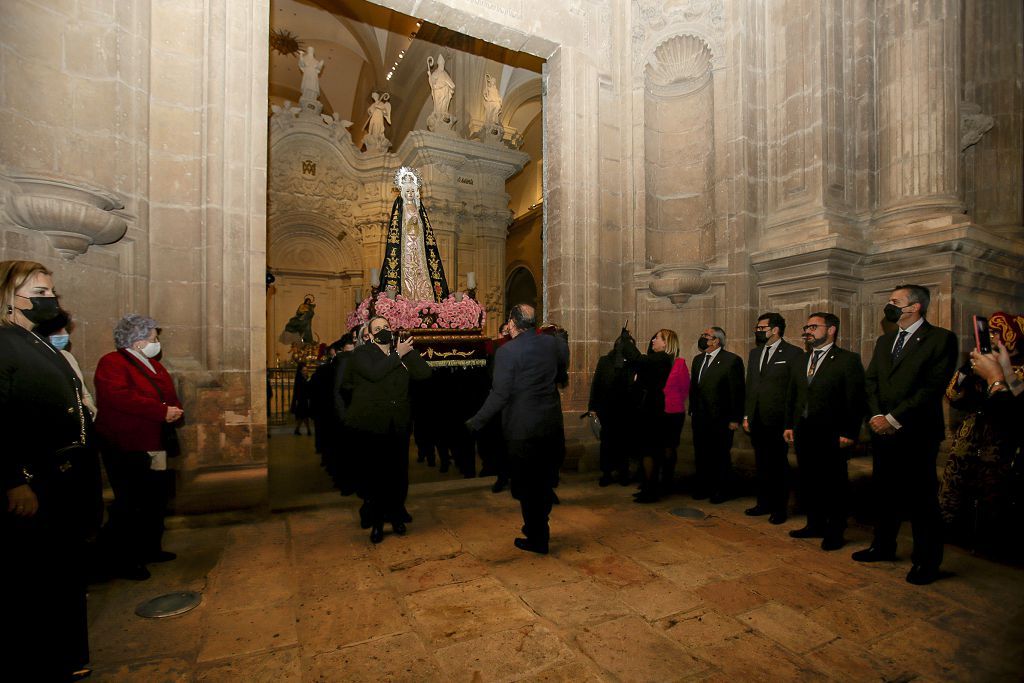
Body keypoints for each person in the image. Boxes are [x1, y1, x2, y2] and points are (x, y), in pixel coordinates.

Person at [1, 260, 101, 682]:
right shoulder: (5, 343)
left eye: (51, 292)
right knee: (36, 582)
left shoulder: (35, 340)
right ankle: (43, 661)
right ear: (11, 297)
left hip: (63, 478)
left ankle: (68, 656)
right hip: (33, 479)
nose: (50, 300)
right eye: (39, 293)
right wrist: (12, 480)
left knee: (63, 574)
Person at [853, 284, 958, 586]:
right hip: (882, 433)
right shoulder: (885, 341)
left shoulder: (940, 339)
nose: (889, 306)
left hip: (916, 433)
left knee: (921, 500)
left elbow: (931, 388)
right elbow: (870, 381)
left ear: (914, 307)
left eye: (895, 302)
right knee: (884, 494)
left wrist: (893, 418)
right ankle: (883, 546)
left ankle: (927, 562)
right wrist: (875, 416)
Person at [466, 304, 569, 554]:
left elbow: (499, 394)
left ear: (512, 322)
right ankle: (538, 527)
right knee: (543, 480)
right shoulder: (553, 343)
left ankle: (537, 537)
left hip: (523, 427)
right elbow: (562, 369)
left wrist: (475, 422)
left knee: (526, 484)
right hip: (550, 422)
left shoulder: (507, 352)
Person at [94, 314, 184, 581]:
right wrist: (160, 411)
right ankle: (125, 559)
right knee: (131, 503)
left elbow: (167, 393)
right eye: (153, 338)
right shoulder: (112, 363)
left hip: (155, 442)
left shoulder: (153, 365)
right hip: (127, 444)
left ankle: (150, 548)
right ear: (136, 342)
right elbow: (120, 397)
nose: (156, 343)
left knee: (155, 499)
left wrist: (174, 411)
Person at [938, 313, 1023, 552]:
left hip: (998, 442)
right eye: (990, 333)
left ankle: (990, 541)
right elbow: (952, 396)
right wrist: (966, 370)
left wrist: (998, 375)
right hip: (969, 437)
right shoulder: (977, 366)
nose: (992, 338)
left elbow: (1013, 406)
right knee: (954, 488)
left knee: (992, 492)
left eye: (997, 333)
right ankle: (951, 531)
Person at [343, 315, 431, 543]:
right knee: (376, 475)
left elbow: (424, 374)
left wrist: (408, 352)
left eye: (386, 326)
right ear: (370, 336)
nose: (384, 330)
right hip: (374, 425)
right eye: (378, 328)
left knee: (398, 473)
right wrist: (397, 354)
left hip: (399, 424)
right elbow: (375, 373)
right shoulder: (361, 354)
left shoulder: (402, 353)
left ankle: (396, 514)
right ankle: (377, 522)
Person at [783, 313, 865, 551]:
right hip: (803, 431)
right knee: (809, 481)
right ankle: (814, 524)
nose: (808, 331)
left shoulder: (847, 360)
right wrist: (789, 424)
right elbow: (792, 395)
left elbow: (854, 399)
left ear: (831, 330)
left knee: (834, 484)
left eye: (813, 326)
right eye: (806, 326)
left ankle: (835, 532)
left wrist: (849, 432)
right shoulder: (800, 360)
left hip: (832, 434)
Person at [743, 312, 804, 524]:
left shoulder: (794, 353)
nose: (758, 332)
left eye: (762, 329)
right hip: (757, 419)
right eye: (757, 329)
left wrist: (790, 422)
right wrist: (747, 415)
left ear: (775, 330)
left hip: (779, 421)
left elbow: (795, 390)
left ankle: (780, 508)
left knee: (778, 465)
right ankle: (763, 503)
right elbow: (750, 386)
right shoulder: (754, 354)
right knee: (762, 464)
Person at [621, 327, 685, 502]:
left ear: (666, 343)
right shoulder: (660, 359)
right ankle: (649, 487)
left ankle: (650, 491)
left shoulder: (662, 358)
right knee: (649, 451)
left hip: (654, 411)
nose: (653, 341)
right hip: (651, 408)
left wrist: (625, 340)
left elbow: (636, 358)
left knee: (649, 450)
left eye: (657, 338)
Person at [688, 326, 745, 503]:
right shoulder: (698, 360)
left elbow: (737, 391)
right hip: (700, 417)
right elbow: (695, 388)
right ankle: (704, 487)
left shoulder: (731, 360)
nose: (702, 337)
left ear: (716, 340)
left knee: (720, 456)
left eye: (706, 335)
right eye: (702, 334)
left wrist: (735, 418)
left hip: (721, 419)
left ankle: (721, 489)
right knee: (702, 454)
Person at [586, 332, 634, 487]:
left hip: (626, 409)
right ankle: (606, 473)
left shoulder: (633, 363)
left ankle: (623, 472)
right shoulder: (605, 361)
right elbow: (597, 384)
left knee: (624, 443)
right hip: (607, 409)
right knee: (607, 443)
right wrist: (592, 407)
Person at [35, 308, 98, 418]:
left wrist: (90, 409)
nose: (65, 334)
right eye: (59, 330)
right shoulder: (35, 359)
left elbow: (83, 392)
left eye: (66, 329)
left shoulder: (67, 356)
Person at [291, 363, 314, 436]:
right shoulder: (299, 379)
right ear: (300, 371)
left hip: (305, 399)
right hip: (301, 399)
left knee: (302, 416)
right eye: (304, 370)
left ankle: (297, 430)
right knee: (304, 415)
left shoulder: (306, 377)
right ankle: (308, 430)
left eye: (306, 370)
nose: (306, 372)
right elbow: (300, 389)